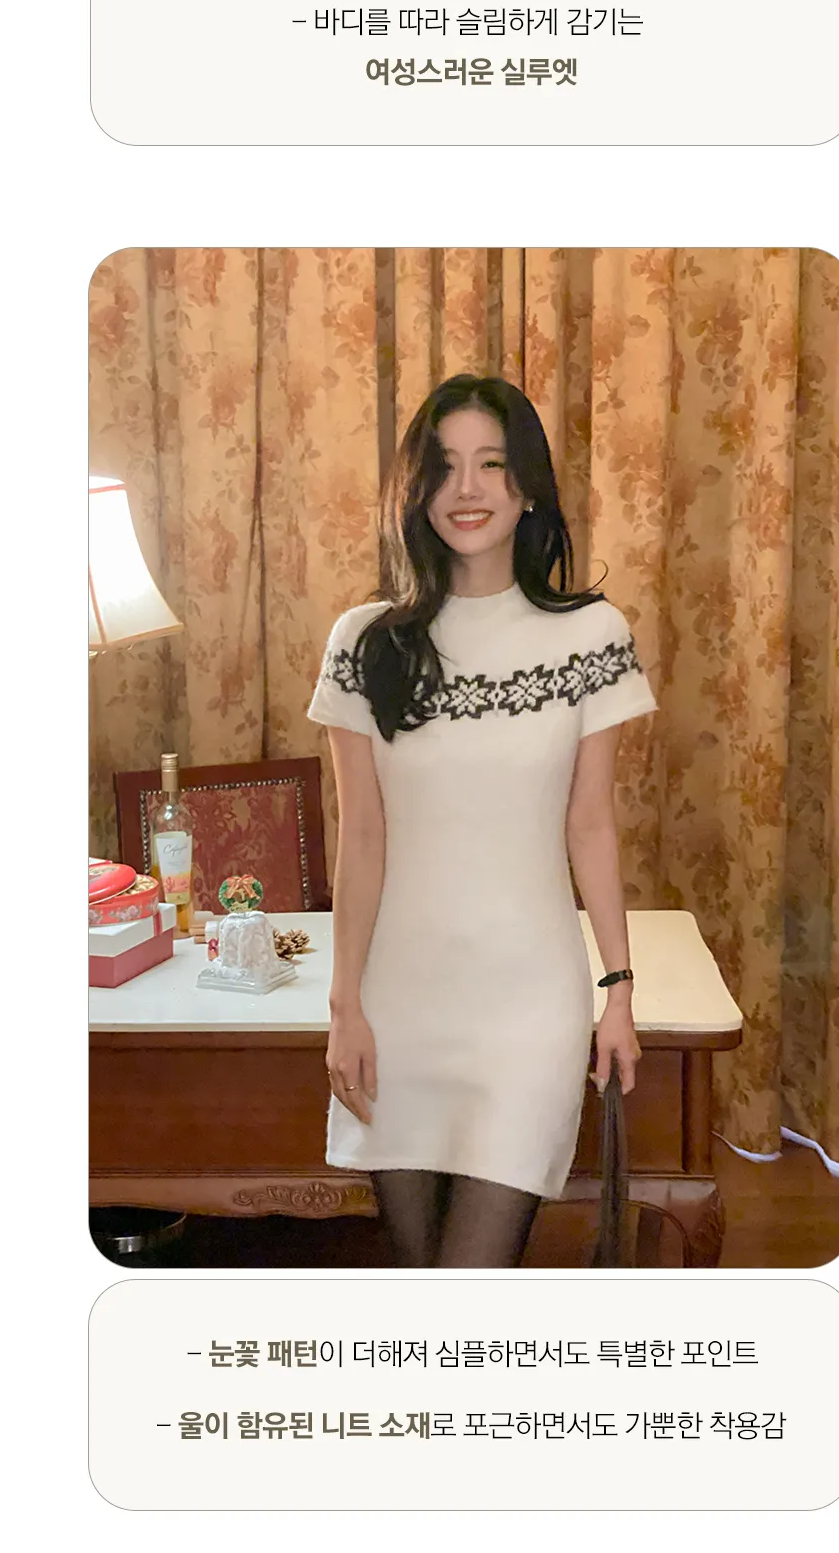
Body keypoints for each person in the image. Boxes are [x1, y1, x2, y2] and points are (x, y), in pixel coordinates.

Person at [308, 371, 655, 1266]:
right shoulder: (364, 642)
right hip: (399, 1001)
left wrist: (618, 991)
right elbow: (363, 838)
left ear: (527, 486)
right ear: (416, 489)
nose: (467, 489)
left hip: (529, 1006)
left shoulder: (591, 637)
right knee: (420, 1280)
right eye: (445, 466)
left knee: (471, 1279)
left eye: (492, 464)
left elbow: (591, 825)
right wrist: (345, 1008)